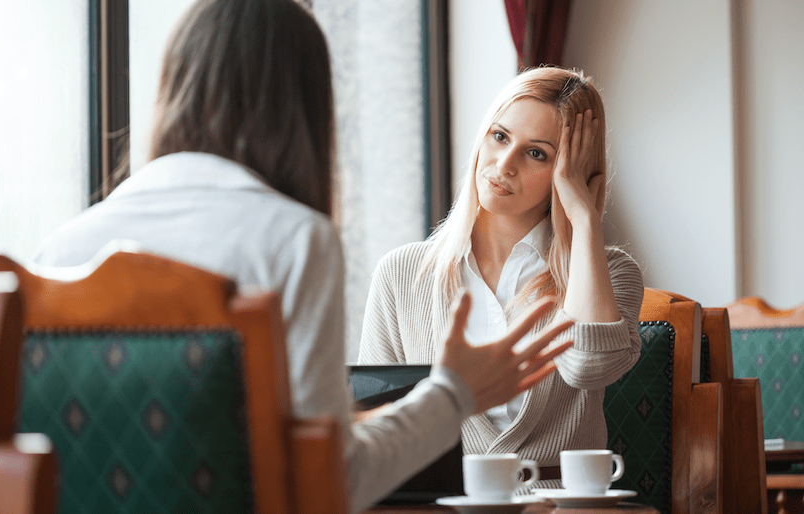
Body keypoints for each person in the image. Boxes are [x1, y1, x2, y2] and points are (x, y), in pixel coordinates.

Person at [31, 1, 573, 511]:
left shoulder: (59, 251)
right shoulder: (293, 240)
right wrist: (454, 393)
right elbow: (337, 477)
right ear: (305, 108)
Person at [358, 67, 643, 490]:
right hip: (439, 505)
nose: (504, 165)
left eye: (537, 154)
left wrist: (584, 217)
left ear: (570, 171)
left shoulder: (613, 272)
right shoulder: (400, 274)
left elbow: (590, 366)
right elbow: (374, 421)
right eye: (500, 136)